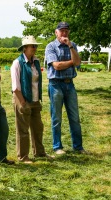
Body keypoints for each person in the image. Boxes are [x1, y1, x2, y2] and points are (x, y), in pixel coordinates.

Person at [45, 22, 87, 155]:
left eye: (66, 31)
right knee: (56, 117)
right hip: (55, 85)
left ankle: (78, 147)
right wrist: (72, 63)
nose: (64, 33)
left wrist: (70, 47)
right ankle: (57, 146)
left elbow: (78, 62)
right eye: (61, 31)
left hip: (70, 84)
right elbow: (56, 66)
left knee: (74, 117)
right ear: (56, 32)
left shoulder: (72, 45)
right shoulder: (51, 46)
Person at [11, 36, 53, 164]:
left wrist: (37, 100)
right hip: (22, 98)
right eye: (32, 46)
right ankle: (23, 156)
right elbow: (15, 87)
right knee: (23, 129)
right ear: (25, 48)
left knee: (38, 127)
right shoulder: (17, 63)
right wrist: (23, 103)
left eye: (35, 46)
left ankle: (39, 152)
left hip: (35, 99)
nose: (35, 48)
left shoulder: (36, 61)